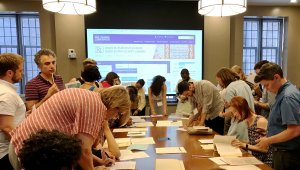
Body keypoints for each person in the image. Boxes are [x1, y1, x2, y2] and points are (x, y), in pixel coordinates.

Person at [9, 86, 131, 170]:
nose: (115, 117)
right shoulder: (96, 107)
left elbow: (76, 145)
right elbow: (83, 149)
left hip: (27, 147)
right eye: (118, 113)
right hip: (31, 152)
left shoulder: (91, 98)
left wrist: (98, 162)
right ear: (115, 106)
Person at [254, 63, 300, 170]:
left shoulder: (287, 97)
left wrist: (268, 140)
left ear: (276, 77)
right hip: (283, 153)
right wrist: (270, 133)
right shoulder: (283, 93)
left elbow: (294, 130)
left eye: (267, 85)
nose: (267, 89)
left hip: (287, 155)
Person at [228, 96, 272, 167]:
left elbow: (265, 149)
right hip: (255, 159)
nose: (234, 115)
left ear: (243, 109)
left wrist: (243, 145)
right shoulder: (247, 121)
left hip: (265, 161)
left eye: (235, 111)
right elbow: (255, 143)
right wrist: (240, 143)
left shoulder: (260, 121)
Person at [0, 53, 26, 170]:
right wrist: (24, 148)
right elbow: (6, 127)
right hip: (6, 152)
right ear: (10, 73)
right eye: (20, 71)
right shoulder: (7, 94)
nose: (22, 73)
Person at [216, 67, 254, 138]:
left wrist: (222, 114)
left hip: (239, 123)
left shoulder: (230, 89)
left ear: (223, 79)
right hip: (251, 120)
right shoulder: (243, 83)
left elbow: (232, 112)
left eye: (218, 81)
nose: (218, 83)